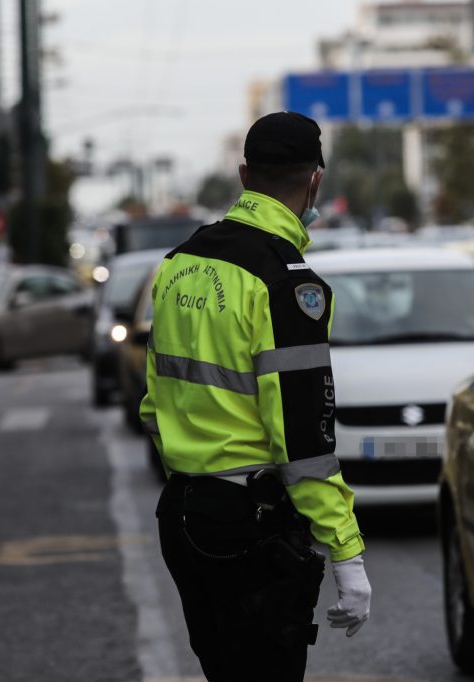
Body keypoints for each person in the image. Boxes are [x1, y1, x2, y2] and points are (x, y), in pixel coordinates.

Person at [140, 112, 371, 682]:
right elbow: (304, 441)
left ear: (244, 174)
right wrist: (347, 553)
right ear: (315, 181)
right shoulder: (287, 285)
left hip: (184, 516)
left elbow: (153, 405)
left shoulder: (179, 263)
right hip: (251, 525)